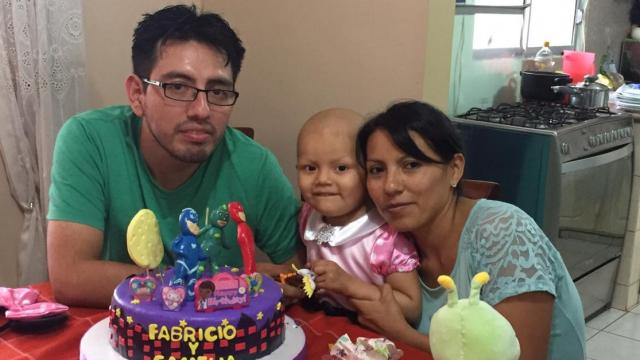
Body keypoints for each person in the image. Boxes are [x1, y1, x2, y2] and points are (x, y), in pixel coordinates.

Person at [47, 5, 302, 308]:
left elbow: (298, 273)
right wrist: (220, 284)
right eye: (178, 87)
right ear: (137, 95)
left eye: (218, 91)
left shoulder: (254, 165)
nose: (202, 110)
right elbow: (71, 277)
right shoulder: (90, 140)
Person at [352, 101, 586, 360]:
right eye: (376, 170)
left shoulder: (503, 231)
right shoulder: (389, 242)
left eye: (411, 165)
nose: (391, 186)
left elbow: (522, 357)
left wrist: (400, 333)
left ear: (455, 169)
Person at [296, 108, 422, 325]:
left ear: (368, 172)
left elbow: (411, 308)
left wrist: (349, 285)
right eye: (310, 168)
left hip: (369, 332)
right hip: (318, 322)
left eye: (341, 168)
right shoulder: (308, 217)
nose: (323, 179)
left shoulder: (385, 238)